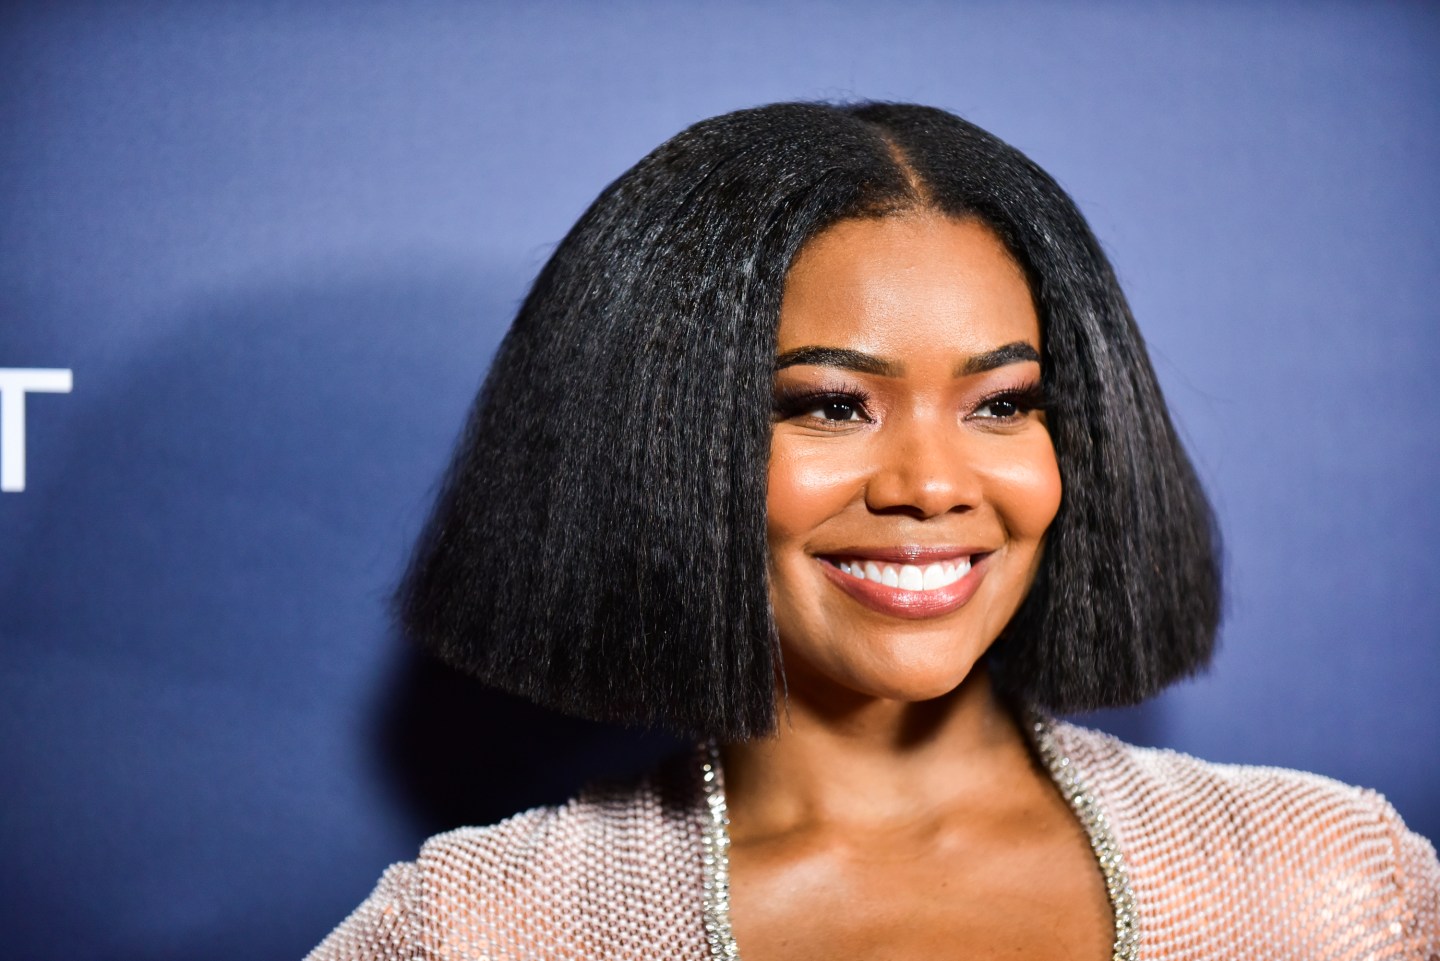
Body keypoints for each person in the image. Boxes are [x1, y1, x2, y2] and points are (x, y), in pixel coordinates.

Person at [307, 102, 1438, 960]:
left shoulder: (1334, 882)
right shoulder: (487, 928)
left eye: (1002, 403)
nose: (935, 484)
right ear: (660, 447)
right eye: (828, 405)